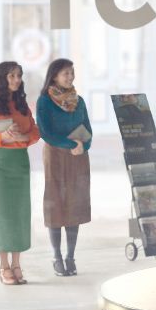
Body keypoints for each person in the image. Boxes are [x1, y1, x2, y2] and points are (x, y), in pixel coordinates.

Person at [0, 62, 40, 286]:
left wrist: (23, 138)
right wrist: (2, 138)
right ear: (1, 78)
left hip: (20, 162)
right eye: (12, 76)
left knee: (19, 213)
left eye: (19, 76)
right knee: (1, 213)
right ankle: (4, 266)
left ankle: (17, 264)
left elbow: (34, 131)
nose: (16, 80)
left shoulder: (22, 104)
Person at [36, 58, 92, 277]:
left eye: (71, 72)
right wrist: (72, 144)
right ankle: (57, 256)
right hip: (56, 156)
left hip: (78, 157)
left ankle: (70, 256)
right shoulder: (44, 101)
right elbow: (45, 132)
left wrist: (84, 145)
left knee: (75, 204)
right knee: (56, 204)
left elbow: (88, 129)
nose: (70, 77)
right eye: (65, 73)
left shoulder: (80, 101)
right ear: (54, 76)